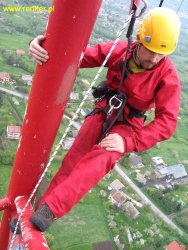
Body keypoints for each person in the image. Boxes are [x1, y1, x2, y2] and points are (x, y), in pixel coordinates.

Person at [10, 7, 181, 233]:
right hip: (105, 110)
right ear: (139, 39)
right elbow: (77, 57)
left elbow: (167, 122)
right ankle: (38, 213)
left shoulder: (167, 76)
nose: (154, 58)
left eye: (161, 54)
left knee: (101, 159)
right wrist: (40, 44)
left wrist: (128, 142)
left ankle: (49, 211)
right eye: (150, 50)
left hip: (128, 126)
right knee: (72, 162)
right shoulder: (121, 51)